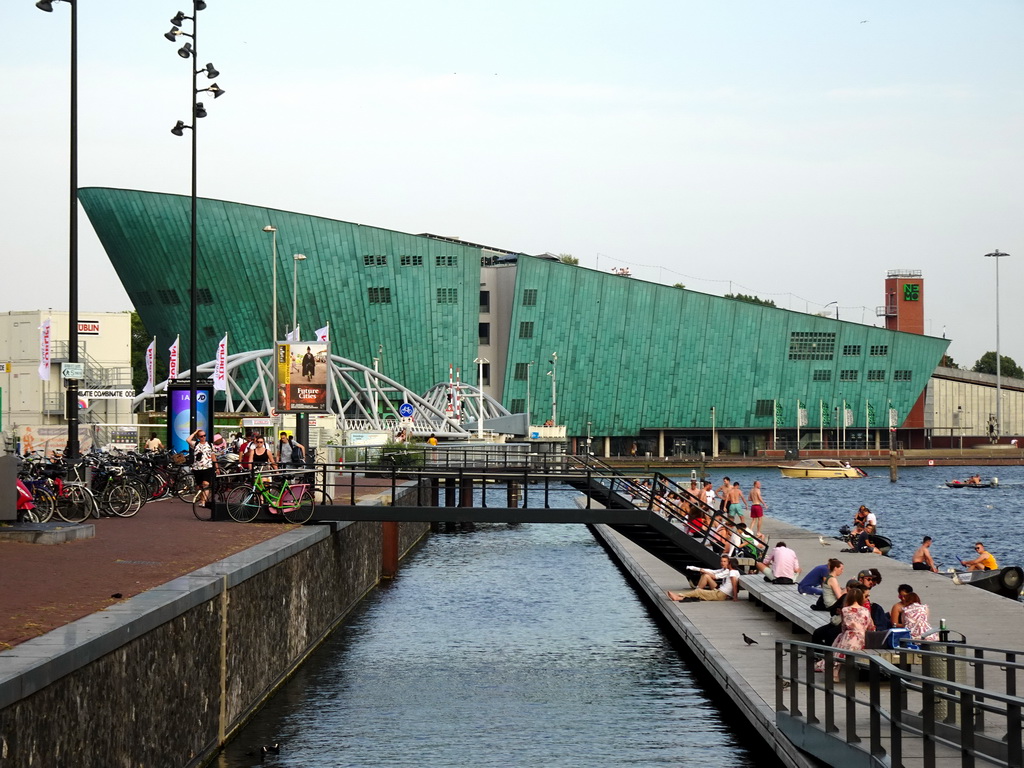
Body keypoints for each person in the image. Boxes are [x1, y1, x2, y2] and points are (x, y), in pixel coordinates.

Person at [831, 585, 875, 681]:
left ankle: (835, 672)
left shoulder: (845, 610)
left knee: (841, 641)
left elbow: (843, 626)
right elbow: (870, 626)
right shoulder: (865, 610)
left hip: (849, 636)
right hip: (863, 638)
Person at [667, 557, 741, 602]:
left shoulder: (732, 573)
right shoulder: (734, 572)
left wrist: (735, 597)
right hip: (720, 592)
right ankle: (680, 597)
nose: (726, 564)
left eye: (728, 563)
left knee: (699, 592)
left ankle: (678, 596)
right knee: (699, 592)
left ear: (730, 564)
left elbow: (734, 585)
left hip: (720, 594)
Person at [186, 428, 218, 506]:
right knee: (199, 486)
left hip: (208, 467)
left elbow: (213, 456)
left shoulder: (210, 445)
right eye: (201, 436)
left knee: (206, 484)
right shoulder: (196, 444)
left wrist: (216, 467)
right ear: (198, 437)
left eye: (204, 436)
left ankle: (203, 502)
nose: (203, 437)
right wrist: (195, 432)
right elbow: (188, 440)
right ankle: (202, 499)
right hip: (197, 468)